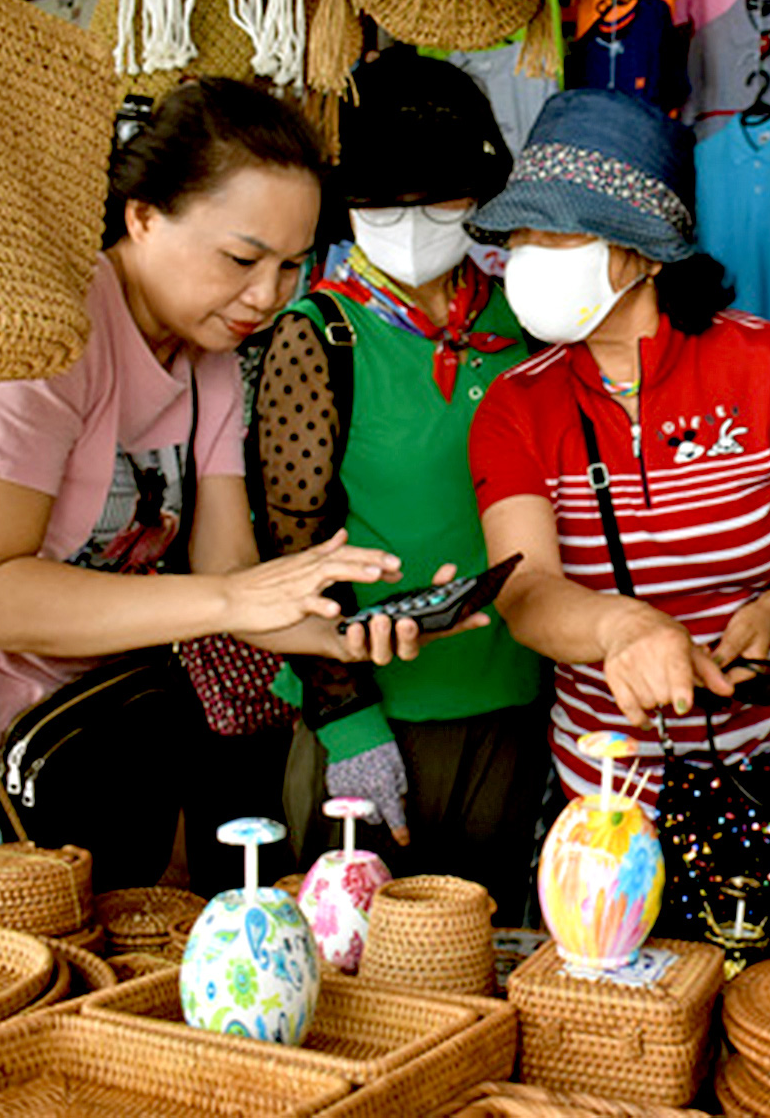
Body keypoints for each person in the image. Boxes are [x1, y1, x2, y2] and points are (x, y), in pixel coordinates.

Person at [0, 78, 465, 894]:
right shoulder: (51, 336)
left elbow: (230, 574)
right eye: (243, 258)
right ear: (142, 214)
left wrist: (340, 632)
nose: (268, 295)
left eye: (293, 264)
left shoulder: (210, 359)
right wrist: (229, 603)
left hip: (113, 730)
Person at [464, 89, 770, 930]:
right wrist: (624, 629)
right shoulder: (514, 406)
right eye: (521, 235)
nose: (528, 256)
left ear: (647, 253)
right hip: (607, 796)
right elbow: (525, 588)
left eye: (561, 233)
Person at [248, 52, 549, 921]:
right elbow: (288, 545)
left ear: (480, 195)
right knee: (353, 963)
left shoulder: (522, 316)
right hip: (371, 704)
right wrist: (346, 724)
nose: (412, 220)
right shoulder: (320, 336)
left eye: (443, 198)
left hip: (510, 696)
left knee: (479, 955)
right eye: (382, 200)